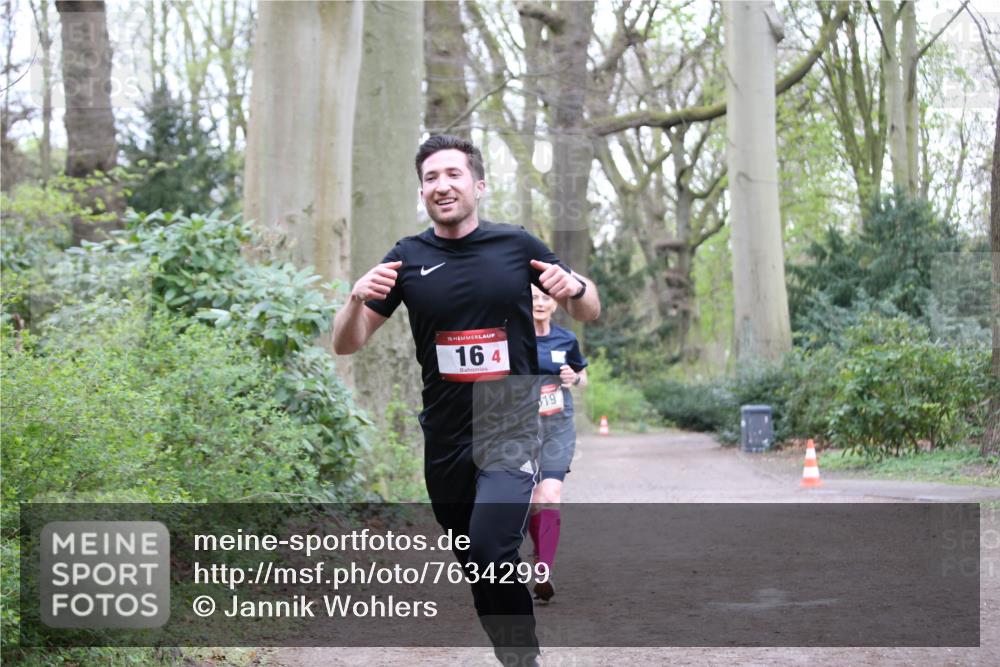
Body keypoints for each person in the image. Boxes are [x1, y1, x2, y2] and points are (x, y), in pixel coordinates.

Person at [331, 134, 600, 666]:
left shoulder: (516, 245)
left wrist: (575, 285)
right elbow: (348, 342)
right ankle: (513, 652)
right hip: (446, 430)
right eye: (431, 178)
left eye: (452, 174)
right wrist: (354, 297)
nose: (441, 185)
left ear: (477, 184)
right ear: (422, 192)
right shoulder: (407, 259)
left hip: (509, 416)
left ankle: (524, 660)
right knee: (477, 562)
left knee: (490, 547)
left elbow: (588, 309)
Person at [527, 284, 588, 603]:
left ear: (554, 304)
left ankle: (544, 571)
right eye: (533, 297)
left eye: (545, 297)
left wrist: (574, 379)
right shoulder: (512, 338)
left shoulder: (566, 339)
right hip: (519, 427)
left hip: (557, 424)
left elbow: (582, 375)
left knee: (549, 492)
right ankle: (539, 552)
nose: (539, 302)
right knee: (527, 501)